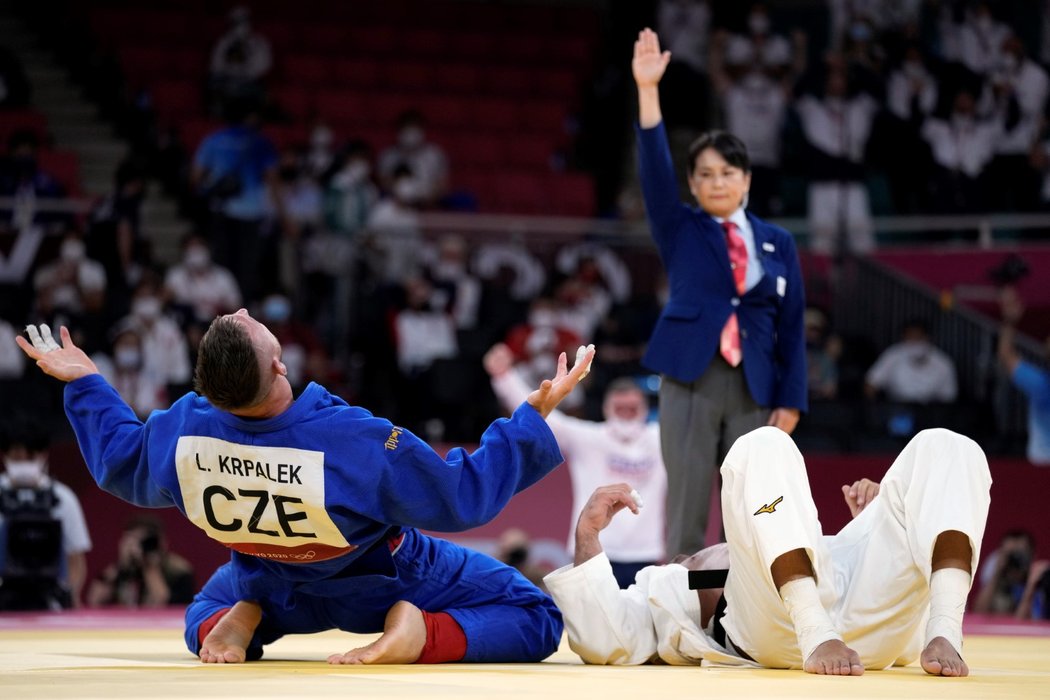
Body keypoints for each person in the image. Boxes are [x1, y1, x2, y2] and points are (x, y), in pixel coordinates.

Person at [16, 316, 594, 665]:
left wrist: (89, 384)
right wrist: (529, 417)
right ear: (279, 364)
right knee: (534, 614)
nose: (243, 309)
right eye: (249, 320)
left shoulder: (184, 431)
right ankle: (422, 634)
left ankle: (235, 621)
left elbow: (119, 462)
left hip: (266, 582)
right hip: (382, 579)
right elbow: (462, 496)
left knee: (203, 612)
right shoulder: (350, 438)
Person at [545, 425, 990, 677]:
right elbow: (609, 640)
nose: (687, 559)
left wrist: (874, 531)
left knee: (948, 445)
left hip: (861, 616)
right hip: (778, 629)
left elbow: (868, 596)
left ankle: (947, 628)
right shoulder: (662, 585)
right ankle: (816, 630)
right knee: (762, 443)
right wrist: (587, 535)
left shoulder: (798, 543)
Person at [631, 29, 807, 559]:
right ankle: (684, 610)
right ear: (692, 183)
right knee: (686, 500)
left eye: (727, 173)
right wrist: (647, 90)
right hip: (690, 375)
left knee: (755, 505)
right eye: (704, 174)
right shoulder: (680, 226)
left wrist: (791, 399)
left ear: (747, 179)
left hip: (757, 382)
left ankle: (743, 613)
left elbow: (793, 326)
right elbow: (655, 172)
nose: (716, 182)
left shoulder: (778, 243)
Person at [486, 343, 666, 588]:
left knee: (641, 626)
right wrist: (504, 377)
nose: (625, 414)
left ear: (645, 410)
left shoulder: (660, 439)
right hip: (592, 550)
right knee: (588, 625)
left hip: (645, 553)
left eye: (632, 409)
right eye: (619, 408)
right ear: (606, 408)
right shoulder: (590, 438)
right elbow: (543, 417)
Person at [0, 415, 92, 609]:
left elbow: (76, 560)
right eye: (17, 458)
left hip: (50, 598)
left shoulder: (63, 498)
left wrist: (68, 595)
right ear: (4, 456)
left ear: (43, 455)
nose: (24, 463)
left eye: (30, 457)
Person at [86, 515, 196, 608]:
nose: (139, 547)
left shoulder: (178, 570)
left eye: (144, 541)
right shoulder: (120, 570)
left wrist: (149, 566)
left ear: (161, 543)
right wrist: (121, 565)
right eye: (134, 540)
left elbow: (163, 602)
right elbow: (94, 600)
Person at [997, 288, 1050, 466]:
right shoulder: (1040, 384)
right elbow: (1006, 355)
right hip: (1041, 466)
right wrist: (1010, 321)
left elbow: (1006, 355)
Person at [865, 319, 958, 404]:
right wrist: (874, 409)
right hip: (896, 408)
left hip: (930, 411)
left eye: (918, 338)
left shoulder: (942, 362)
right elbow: (871, 383)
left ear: (927, 338)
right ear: (903, 337)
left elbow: (948, 396)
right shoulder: (892, 355)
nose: (914, 342)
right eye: (910, 338)